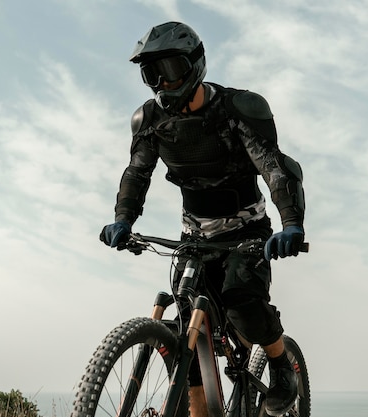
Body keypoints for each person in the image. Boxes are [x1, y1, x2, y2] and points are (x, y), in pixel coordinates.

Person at [99, 21, 306, 417]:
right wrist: (123, 219)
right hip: (193, 235)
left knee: (241, 303)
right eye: (151, 73)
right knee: (186, 334)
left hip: (246, 232)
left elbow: (274, 167)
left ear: (194, 66)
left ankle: (281, 366)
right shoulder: (149, 120)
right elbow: (137, 173)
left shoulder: (238, 109)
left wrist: (291, 223)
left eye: (170, 70)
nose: (162, 82)